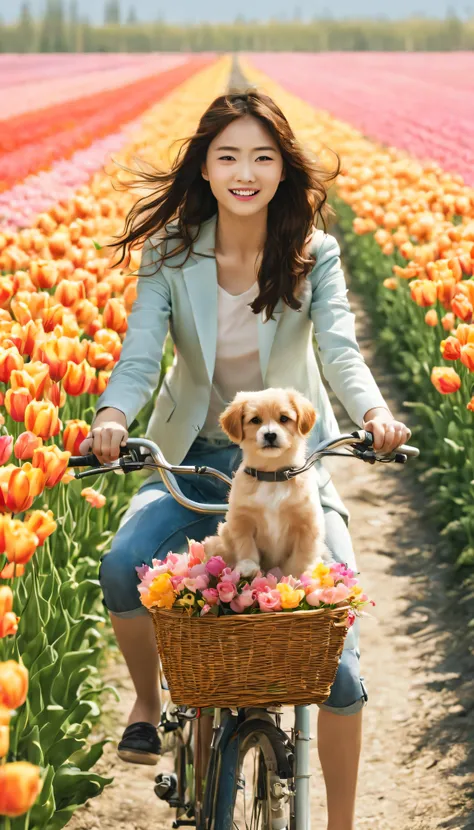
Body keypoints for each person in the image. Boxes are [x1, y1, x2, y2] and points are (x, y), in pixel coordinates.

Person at [80, 89, 410, 830]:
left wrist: (375, 416)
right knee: (121, 561)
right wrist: (110, 416)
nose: (245, 172)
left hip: (291, 465)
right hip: (196, 453)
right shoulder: (171, 253)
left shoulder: (312, 254)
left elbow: (340, 351)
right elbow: (139, 357)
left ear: (282, 170)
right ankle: (144, 699)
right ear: (203, 167)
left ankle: (341, 823)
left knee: (342, 659)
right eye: (228, 155)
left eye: (263, 157)